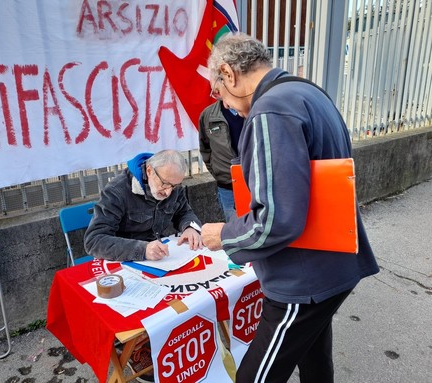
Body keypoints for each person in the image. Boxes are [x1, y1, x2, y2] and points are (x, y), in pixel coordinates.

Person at [201, 32, 380, 383]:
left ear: (228, 73)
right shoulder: (308, 92)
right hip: (333, 265)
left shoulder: (270, 110)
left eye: (216, 90)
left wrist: (223, 234)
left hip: (302, 279)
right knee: (314, 362)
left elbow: (275, 220)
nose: (222, 101)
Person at [84, 150, 203, 383]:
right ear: (149, 171)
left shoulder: (172, 185)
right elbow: (94, 241)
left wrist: (190, 226)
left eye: (174, 186)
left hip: (160, 262)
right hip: (124, 265)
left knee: (192, 295)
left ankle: (166, 340)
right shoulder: (117, 191)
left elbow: (184, 212)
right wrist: (142, 249)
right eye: (165, 184)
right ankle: (133, 347)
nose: (168, 191)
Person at [198, 100, 245, 221]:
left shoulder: (252, 109)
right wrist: (216, 171)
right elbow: (205, 148)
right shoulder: (208, 115)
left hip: (253, 183)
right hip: (226, 185)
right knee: (232, 226)